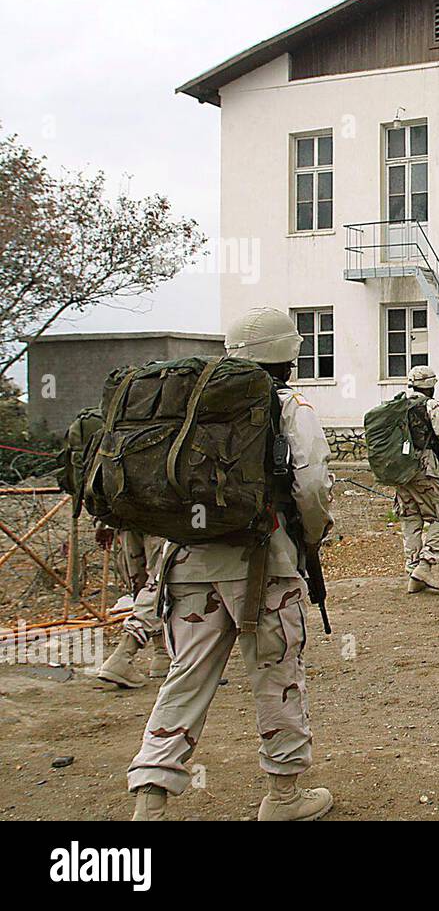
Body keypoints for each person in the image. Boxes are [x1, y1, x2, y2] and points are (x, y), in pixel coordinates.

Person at [127, 307, 336, 821]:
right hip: (263, 564)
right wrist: (309, 540)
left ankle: (150, 798)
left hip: (187, 561)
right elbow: (311, 486)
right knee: (277, 673)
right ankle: (284, 797)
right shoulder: (288, 405)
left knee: (186, 676)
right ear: (290, 354)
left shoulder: (191, 405)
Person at [396, 366, 439, 594]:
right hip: (425, 468)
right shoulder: (431, 406)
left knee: (410, 517)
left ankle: (413, 573)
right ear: (431, 386)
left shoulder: (396, 405)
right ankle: (425, 565)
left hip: (400, 470)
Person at [95, 527, 168, 688]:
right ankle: (122, 656)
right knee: (161, 583)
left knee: (143, 583)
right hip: (162, 516)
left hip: (126, 517)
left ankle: (162, 653)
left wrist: (105, 523)